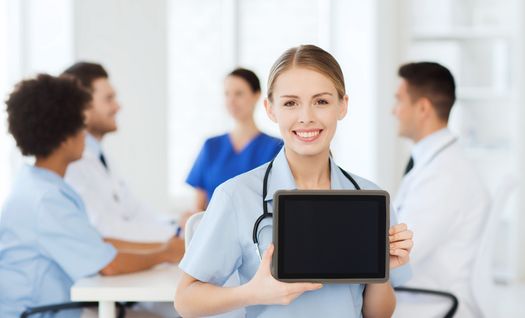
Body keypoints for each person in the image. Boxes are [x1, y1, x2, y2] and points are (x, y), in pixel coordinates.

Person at [175, 45, 414, 317]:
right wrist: (252, 293)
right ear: (270, 109)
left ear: (342, 105)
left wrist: (381, 269)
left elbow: (379, 314)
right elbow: (185, 300)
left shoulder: (371, 199)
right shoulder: (236, 196)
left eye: (321, 101)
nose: (306, 117)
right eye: (290, 103)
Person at [0, 75, 184, 318]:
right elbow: (108, 265)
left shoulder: (38, 185)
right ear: (65, 138)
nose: (84, 135)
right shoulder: (47, 200)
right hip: (41, 313)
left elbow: (99, 243)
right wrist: (167, 253)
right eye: (80, 126)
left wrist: (168, 248)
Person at [391, 62, 490, 317]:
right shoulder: (438, 163)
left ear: (423, 108)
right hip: (418, 294)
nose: (394, 111)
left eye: (399, 101)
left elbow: (400, 254)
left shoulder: (446, 176)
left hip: (428, 304)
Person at [63, 62, 177, 243]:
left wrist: (177, 227)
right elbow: (105, 228)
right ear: (83, 107)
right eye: (109, 99)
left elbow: (134, 211)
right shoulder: (72, 164)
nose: (118, 106)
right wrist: (173, 237)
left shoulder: (100, 156)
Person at [185, 68, 282, 215]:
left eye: (239, 94)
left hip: (256, 232)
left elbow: (277, 204)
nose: (231, 101)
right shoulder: (211, 146)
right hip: (214, 230)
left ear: (256, 96)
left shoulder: (275, 147)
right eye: (226, 94)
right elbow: (198, 207)